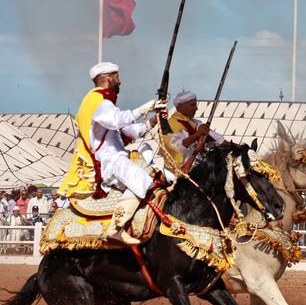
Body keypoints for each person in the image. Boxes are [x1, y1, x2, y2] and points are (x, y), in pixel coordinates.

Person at [57, 62, 163, 245]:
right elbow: (117, 120)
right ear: (107, 78)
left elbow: (130, 131)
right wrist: (144, 108)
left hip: (118, 157)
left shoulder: (104, 102)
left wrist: (153, 120)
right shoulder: (98, 101)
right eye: (117, 77)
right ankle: (116, 228)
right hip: (110, 161)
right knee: (143, 180)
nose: (120, 82)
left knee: (157, 173)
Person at [163, 89, 224, 171]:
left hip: (200, 168)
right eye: (192, 105)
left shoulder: (197, 123)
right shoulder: (170, 124)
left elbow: (219, 140)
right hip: (179, 172)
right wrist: (197, 135)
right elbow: (176, 148)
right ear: (180, 106)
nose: (196, 108)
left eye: (196, 105)